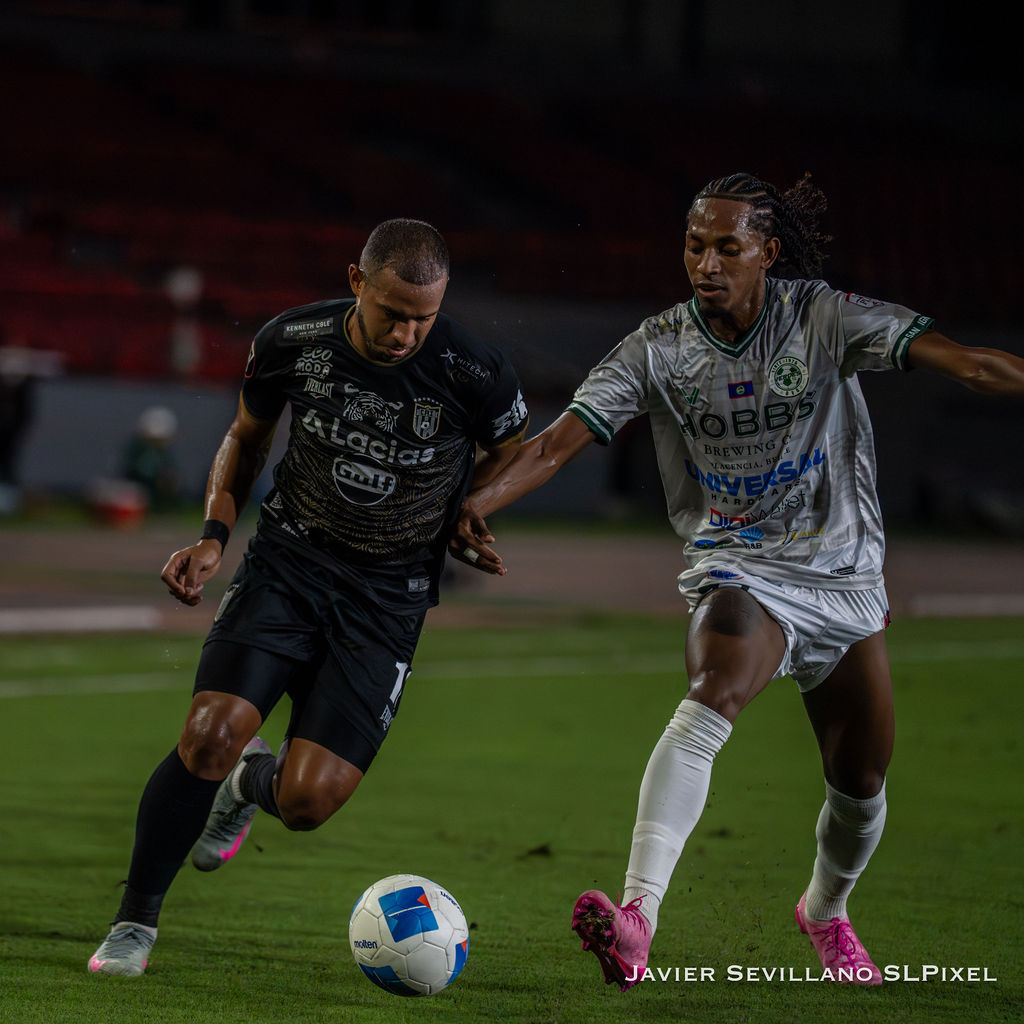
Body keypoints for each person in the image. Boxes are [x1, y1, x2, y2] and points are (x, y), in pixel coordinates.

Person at [453, 172, 1024, 989]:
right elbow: (552, 445)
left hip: (843, 575)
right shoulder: (658, 347)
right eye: (695, 246)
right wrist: (473, 505)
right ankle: (638, 919)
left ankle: (825, 911)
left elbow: (968, 365)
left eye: (728, 247)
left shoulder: (822, 318)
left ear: (769, 252)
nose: (707, 264)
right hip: (739, 564)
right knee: (712, 692)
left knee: (861, 786)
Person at [88, 219, 528, 976]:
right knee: (209, 733)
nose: (406, 334)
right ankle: (134, 924)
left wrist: (469, 509)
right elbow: (245, 436)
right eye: (392, 313)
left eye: (423, 317)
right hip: (288, 566)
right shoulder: (293, 340)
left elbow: (511, 450)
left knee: (306, 804)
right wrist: (213, 536)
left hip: (388, 600)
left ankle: (247, 783)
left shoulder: (473, 370)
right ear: (357, 282)